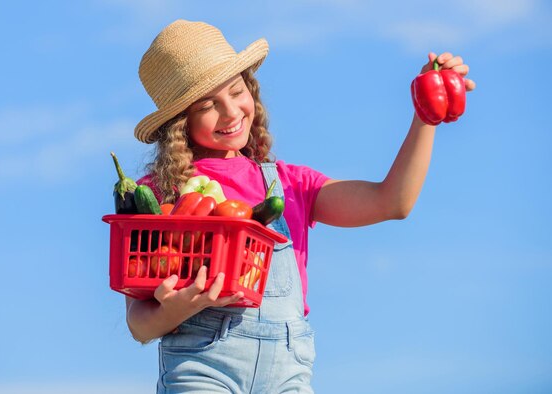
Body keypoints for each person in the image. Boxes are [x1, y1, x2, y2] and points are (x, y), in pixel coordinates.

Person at [125, 19, 475, 393]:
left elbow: (392, 201)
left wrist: (427, 114)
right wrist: (177, 309)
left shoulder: (289, 185)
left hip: (286, 370)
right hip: (201, 366)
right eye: (208, 105)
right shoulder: (160, 193)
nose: (230, 112)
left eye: (236, 90)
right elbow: (138, 323)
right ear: (180, 123)